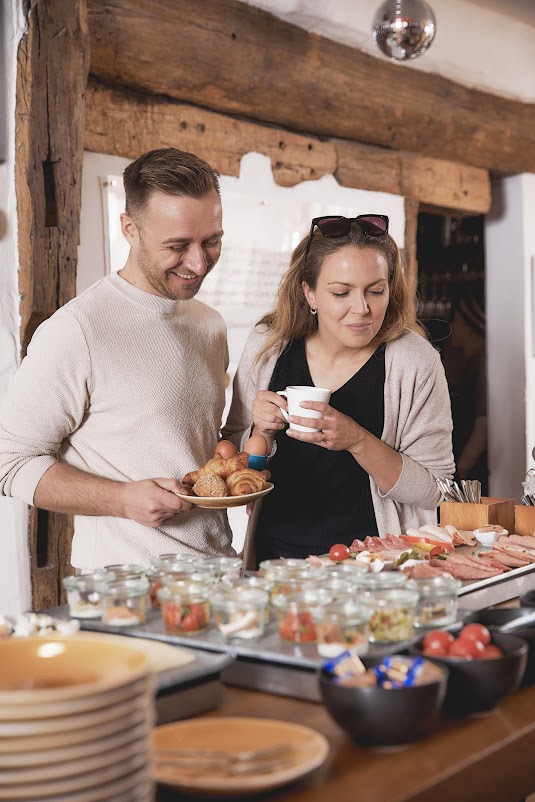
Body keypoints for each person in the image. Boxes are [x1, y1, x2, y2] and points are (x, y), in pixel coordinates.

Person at [0, 147, 236, 569]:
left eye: (212, 241)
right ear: (129, 228)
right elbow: (8, 462)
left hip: (216, 574)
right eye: (178, 245)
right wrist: (122, 500)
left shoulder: (210, 325)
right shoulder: (78, 330)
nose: (199, 263)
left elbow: (184, 441)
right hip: (124, 592)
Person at [223, 214, 455, 567]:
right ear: (309, 292)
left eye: (376, 291)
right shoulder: (266, 346)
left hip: (375, 570)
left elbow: (435, 490)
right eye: (341, 292)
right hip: (274, 563)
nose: (361, 309)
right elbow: (236, 458)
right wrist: (260, 433)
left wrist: (357, 440)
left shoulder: (414, 362)